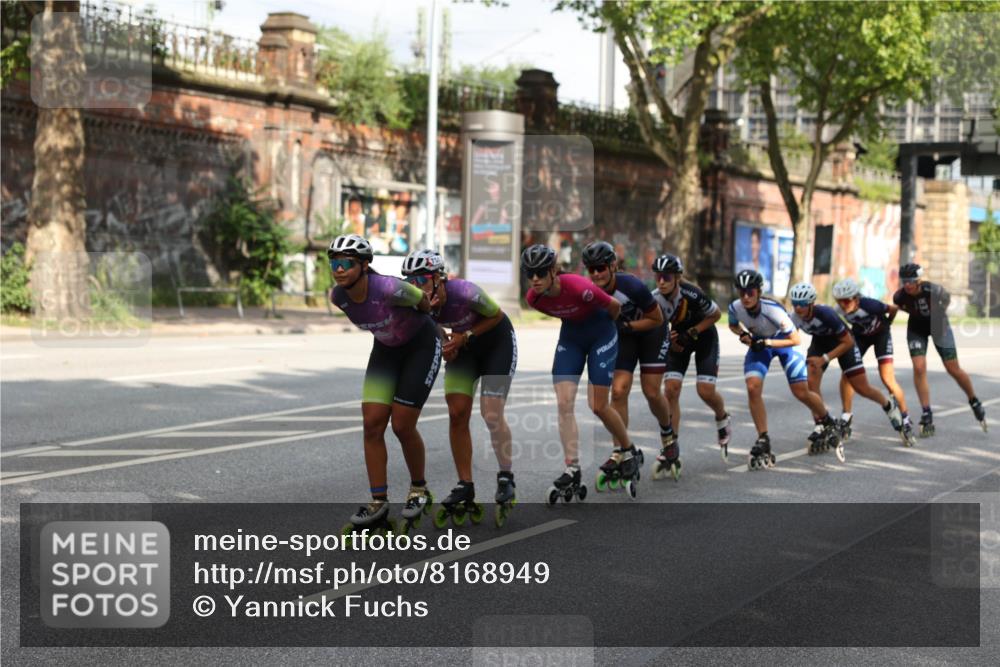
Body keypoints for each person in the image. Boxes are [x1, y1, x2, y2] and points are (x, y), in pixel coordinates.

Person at [328, 234, 440, 533]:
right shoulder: (338, 297)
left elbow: (425, 304)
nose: (338, 270)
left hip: (420, 346)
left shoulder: (389, 288)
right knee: (372, 424)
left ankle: (419, 489)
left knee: (402, 425)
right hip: (386, 351)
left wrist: (432, 330)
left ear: (365, 265)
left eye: (346, 264)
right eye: (334, 263)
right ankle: (378, 501)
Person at [401, 249, 519, 528]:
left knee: (491, 413)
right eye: (410, 282)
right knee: (457, 412)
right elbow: (435, 330)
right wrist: (447, 345)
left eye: (422, 280)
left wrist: (465, 336)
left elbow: (497, 316)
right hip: (463, 349)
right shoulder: (418, 304)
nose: (415, 288)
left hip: (496, 344)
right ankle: (465, 483)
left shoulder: (464, 291)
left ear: (439, 279)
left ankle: (505, 475)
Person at [521, 244, 639, 501]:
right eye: (530, 274)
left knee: (598, 405)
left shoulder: (577, 286)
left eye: (541, 273)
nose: (535, 279)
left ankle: (629, 450)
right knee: (564, 403)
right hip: (572, 339)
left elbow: (615, 306)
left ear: (553, 270)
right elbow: (562, 312)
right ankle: (572, 467)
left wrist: (612, 328)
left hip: (602, 334)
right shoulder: (534, 298)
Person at [728, 270, 843, 469]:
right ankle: (763, 438)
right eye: (742, 292)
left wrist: (767, 342)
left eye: (750, 292)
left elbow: (795, 339)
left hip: (785, 342)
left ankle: (827, 420)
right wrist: (744, 335)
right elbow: (733, 326)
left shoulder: (773, 310)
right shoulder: (735, 308)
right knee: (753, 387)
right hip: (762, 344)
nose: (746, 297)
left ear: (758, 291)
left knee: (800, 391)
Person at [581, 241, 671, 487]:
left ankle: (668, 434)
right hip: (626, 335)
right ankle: (620, 450)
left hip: (651, 330)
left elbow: (656, 317)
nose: (597, 273)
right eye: (591, 269)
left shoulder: (631, 285)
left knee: (652, 391)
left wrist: (628, 326)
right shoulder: (589, 292)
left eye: (601, 267)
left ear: (612, 266)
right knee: (618, 392)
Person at [787, 281, 911, 447]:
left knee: (862, 388)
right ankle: (821, 424)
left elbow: (848, 342)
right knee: (811, 383)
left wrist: (824, 359)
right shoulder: (794, 317)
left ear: (811, 304)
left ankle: (888, 405)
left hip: (844, 344)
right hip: (820, 343)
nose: (798, 308)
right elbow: (787, 338)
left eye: (802, 304)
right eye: (795, 304)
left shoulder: (827, 314)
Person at [652, 254, 732, 466]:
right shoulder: (655, 299)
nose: (662, 281)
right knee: (671, 390)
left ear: (677, 278)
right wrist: (669, 340)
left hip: (704, 336)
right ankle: (671, 445)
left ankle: (722, 416)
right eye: (658, 276)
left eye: (667, 277)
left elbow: (715, 315)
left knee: (704, 390)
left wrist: (693, 331)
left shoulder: (692, 293)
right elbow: (655, 327)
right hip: (680, 340)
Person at [892, 262, 987, 435]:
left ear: (919, 280)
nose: (907, 285)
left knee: (953, 368)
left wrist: (937, 312)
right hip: (916, 328)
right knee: (919, 367)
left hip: (938, 325)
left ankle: (973, 399)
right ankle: (926, 412)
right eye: (904, 281)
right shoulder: (899, 296)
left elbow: (947, 299)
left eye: (911, 281)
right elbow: (900, 308)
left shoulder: (933, 290)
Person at [832, 277, 917, 442]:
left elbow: (893, 308)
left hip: (880, 335)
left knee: (887, 378)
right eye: (839, 301)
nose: (843, 305)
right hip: (860, 336)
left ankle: (905, 418)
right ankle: (846, 415)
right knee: (847, 374)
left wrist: (887, 324)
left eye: (847, 301)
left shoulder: (870, 305)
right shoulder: (838, 311)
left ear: (856, 298)